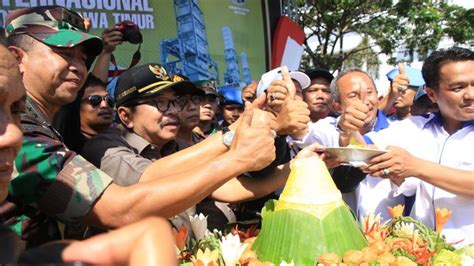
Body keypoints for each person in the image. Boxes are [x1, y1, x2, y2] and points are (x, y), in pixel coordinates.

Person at [4, 5, 277, 247]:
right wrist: (237, 152)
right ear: (18, 59)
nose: (77, 66)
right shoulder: (18, 129)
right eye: (64, 52)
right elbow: (120, 208)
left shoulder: (42, 121)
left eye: (82, 57)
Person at [0, 44, 177, 266]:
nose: (14, 134)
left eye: (16, 109)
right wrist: (229, 146)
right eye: (64, 54)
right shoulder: (96, 146)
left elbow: (148, 234)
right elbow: (121, 209)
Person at [359, 47, 474, 246]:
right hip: (424, 253)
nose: (470, 95)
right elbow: (363, 151)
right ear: (432, 94)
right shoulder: (415, 127)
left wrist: (417, 167)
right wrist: (348, 129)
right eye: (458, 88)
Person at [290, 68, 402, 220]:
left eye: (369, 92)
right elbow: (302, 134)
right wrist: (345, 130)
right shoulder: (326, 128)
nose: (364, 101)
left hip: (388, 236)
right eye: (353, 95)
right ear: (336, 106)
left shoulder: (400, 132)